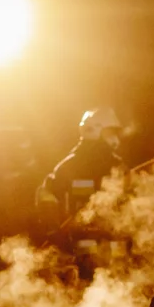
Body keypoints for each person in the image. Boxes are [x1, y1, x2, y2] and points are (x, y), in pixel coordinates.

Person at [35, 107, 127, 278]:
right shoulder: (71, 166)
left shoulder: (117, 165)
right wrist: (53, 231)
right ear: (95, 131)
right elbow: (46, 195)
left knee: (121, 292)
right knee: (88, 290)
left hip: (116, 244)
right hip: (85, 246)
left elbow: (130, 200)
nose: (114, 138)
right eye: (110, 132)